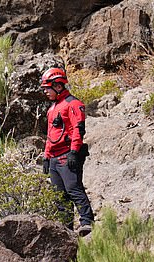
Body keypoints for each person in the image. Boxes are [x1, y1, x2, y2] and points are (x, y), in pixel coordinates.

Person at [40, 67, 94, 236]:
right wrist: (46, 157)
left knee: (73, 188)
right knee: (59, 196)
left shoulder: (73, 104)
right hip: (55, 158)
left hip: (67, 155)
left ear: (58, 86)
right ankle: (66, 229)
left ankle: (87, 222)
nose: (45, 92)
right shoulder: (52, 109)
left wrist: (74, 152)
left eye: (47, 88)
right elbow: (50, 135)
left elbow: (78, 129)